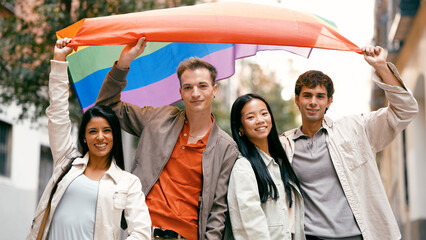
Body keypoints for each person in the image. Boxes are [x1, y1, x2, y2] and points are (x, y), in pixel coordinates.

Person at [95, 37, 239, 240]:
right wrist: (124, 63)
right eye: (188, 87)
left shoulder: (226, 148)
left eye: (202, 86)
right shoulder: (159, 119)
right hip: (141, 233)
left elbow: (218, 210)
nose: (195, 93)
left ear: (214, 91)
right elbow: (106, 108)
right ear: (180, 93)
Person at [279, 46, 418, 240]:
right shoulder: (284, 146)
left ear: (329, 101)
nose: (313, 102)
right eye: (307, 95)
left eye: (320, 96)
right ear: (297, 99)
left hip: (354, 236)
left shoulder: (354, 128)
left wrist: (381, 66)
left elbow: (406, 110)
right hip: (308, 236)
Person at [27, 38, 151, 240]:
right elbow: (57, 113)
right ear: (84, 137)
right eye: (93, 131)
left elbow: (141, 233)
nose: (100, 137)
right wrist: (59, 61)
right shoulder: (67, 162)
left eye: (107, 131)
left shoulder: (127, 183)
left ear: (114, 136)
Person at [225, 93, 305, 240]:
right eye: (251, 117)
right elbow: (251, 228)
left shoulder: (280, 162)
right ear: (240, 128)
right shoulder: (243, 168)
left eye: (264, 113)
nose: (260, 120)